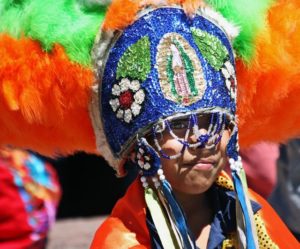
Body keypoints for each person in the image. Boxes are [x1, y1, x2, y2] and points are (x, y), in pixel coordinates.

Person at [1, 0, 300, 248]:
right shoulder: (121, 242)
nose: (201, 139)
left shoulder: (254, 215)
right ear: (140, 147)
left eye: (213, 122)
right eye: (178, 126)